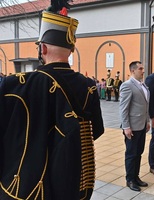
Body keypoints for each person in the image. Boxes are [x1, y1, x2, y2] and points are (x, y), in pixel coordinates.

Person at [0, 5, 104, 199]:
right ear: (71, 49)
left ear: (43, 48)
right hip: (76, 178)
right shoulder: (89, 86)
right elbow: (96, 131)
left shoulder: (17, 84)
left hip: (32, 183)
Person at [120, 61, 150, 192]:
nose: (143, 71)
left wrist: (147, 121)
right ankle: (130, 180)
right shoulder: (127, 86)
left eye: (143, 68)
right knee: (131, 154)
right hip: (131, 127)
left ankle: (136, 176)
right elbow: (123, 108)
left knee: (139, 152)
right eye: (140, 69)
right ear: (133, 71)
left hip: (142, 125)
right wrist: (126, 126)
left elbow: (145, 106)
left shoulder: (143, 85)